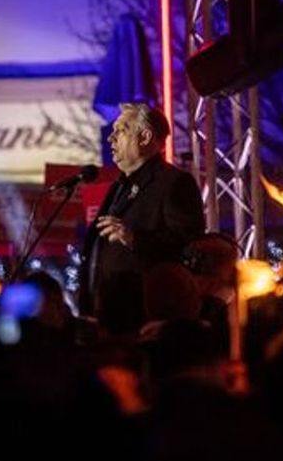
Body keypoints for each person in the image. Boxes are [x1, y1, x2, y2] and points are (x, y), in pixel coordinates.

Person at [78, 102, 205, 326]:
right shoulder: (118, 186)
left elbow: (188, 245)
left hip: (143, 314)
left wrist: (134, 239)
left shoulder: (174, 183)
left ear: (145, 137)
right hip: (106, 314)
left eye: (121, 130)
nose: (111, 138)